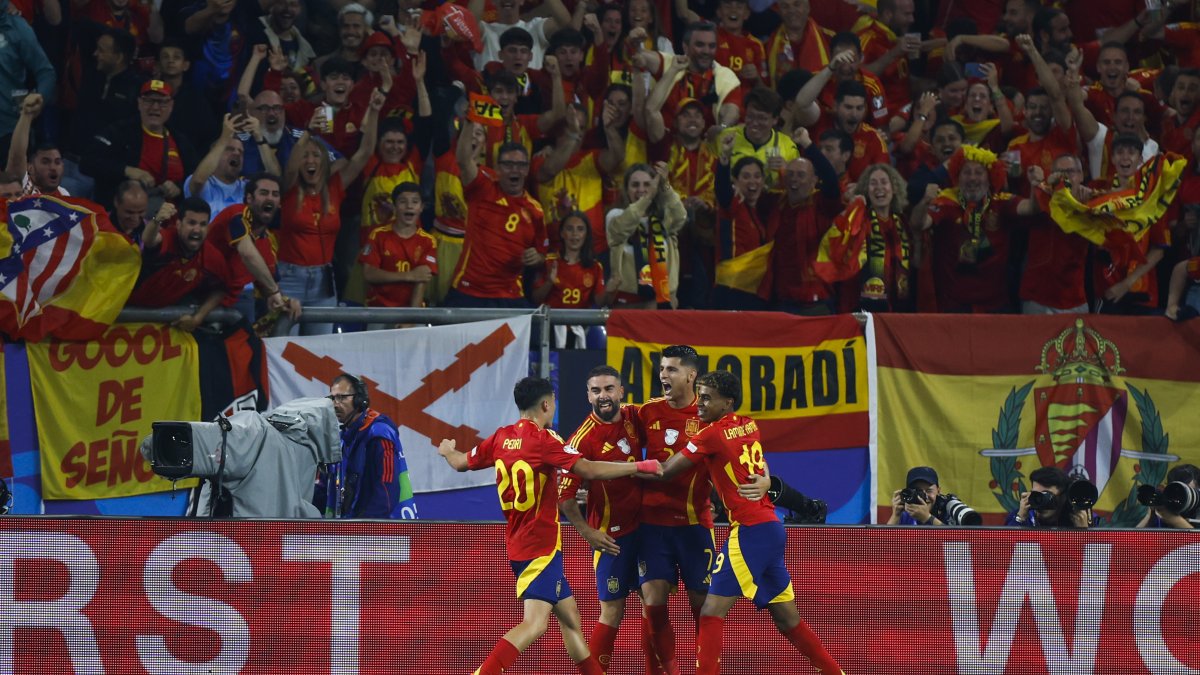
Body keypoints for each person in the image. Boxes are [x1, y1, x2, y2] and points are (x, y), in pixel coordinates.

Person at [436, 376, 662, 675]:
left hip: (519, 544)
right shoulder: (545, 440)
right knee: (535, 624)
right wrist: (638, 466)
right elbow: (588, 469)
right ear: (546, 403)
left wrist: (446, 450)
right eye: (553, 402)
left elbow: (461, 461)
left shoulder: (501, 438)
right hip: (540, 547)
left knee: (571, 620)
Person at [657, 369, 844, 675]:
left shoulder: (710, 435)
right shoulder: (748, 424)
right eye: (699, 396)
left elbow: (666, 471)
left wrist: (610, 470)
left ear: (727, 403)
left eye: (706, 398)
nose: (699, 403)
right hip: (771, 527)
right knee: (787, 620)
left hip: (748, 530)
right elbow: (756, 462)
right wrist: (767, 478)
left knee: (710, 612)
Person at [557, 366, 649, 672]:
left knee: (653, 604)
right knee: (613, 610)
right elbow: (564, 496)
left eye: (609, 389)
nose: (603, 396)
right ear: (588, 396)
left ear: (621, 391)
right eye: (596, 391)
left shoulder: (635, 416)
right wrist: (586, 531)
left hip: (649, 529)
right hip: (612, 537)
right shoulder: (582, 439)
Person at [445, 122, 548, 308]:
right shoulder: (482, 187)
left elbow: (542, 254)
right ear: (498, 169)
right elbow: (462, 160)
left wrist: (536, 258)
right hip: (468, 290)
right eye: (508, 164)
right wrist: (469, 124)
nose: (514, 170)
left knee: (533, 332)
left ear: (526, 169)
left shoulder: (536, 211)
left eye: (520, 165)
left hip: (509, 295)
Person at [319, 373, 417, 519]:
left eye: (341, 397)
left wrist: (362, 530)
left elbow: (385, 491)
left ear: (360, 400)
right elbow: (328, 488)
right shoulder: (342, 438)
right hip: (353, 527)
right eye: (332, 398)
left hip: (387, 530)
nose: (335, 404)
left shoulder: (379, 433)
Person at [126, 197, 230, 332]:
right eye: (191, 223)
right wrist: (157, 220)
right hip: (126, 306)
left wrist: (198, 318)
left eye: (203, 224)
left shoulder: (212, 257)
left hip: (166, 318)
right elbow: (149, 239)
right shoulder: (168, 238)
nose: (197, 230)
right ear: (179, 224)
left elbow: (220, 290)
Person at [606, 162, 687, 309]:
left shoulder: (665, 218)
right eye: (635, 185)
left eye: (647, 185)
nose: (641, 189)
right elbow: (621, 228)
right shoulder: (616, 216)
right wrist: (647, 198)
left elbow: (680, 216)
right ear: (626, 189)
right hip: (628, 305)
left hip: (663, 304)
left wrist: (666, 186)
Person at [359, 182, 438, 313]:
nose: (409, 206)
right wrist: (408, 276)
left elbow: (421, 279)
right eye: (403, 201)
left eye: (415, 202)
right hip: (379, 310)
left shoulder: (428, 241)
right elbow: (369, 274)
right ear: (394, 207)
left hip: (413, 311)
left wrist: (411, 319)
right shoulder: (378, 235)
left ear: (421, 207)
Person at [1007, 466, 1093, 528]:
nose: (1041, 502)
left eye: (1047, 495)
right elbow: (1004, 549)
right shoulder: (1023, 516)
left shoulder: (1081, 518)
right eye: (1037, 495)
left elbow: (1099, 552)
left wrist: (1084, 532)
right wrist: (1019, 519)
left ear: (1063, 496)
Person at [1136, 464, 1200, 529]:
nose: (1179, 497)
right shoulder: (1166, 511)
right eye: (1176, 491)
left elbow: (1196, 539)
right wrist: (1149, 516)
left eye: (1188, 491)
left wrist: (1176, 521)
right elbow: (1134, 537)